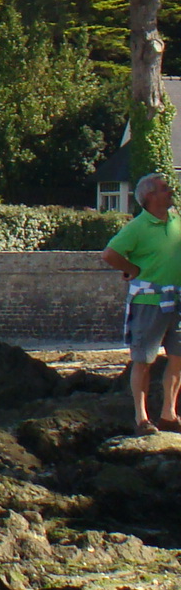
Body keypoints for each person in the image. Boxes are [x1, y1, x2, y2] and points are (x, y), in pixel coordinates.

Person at [103, 173, 181, 435]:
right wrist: (132, 269)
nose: (170, 191)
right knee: (143, 360)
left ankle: (169, 414)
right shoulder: (137, 227)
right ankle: (141, 418)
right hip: (149, 302)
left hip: (177, 301)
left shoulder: (176, 221)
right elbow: (110, 254)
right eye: (164, 188)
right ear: (150, 196)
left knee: (178, 358)